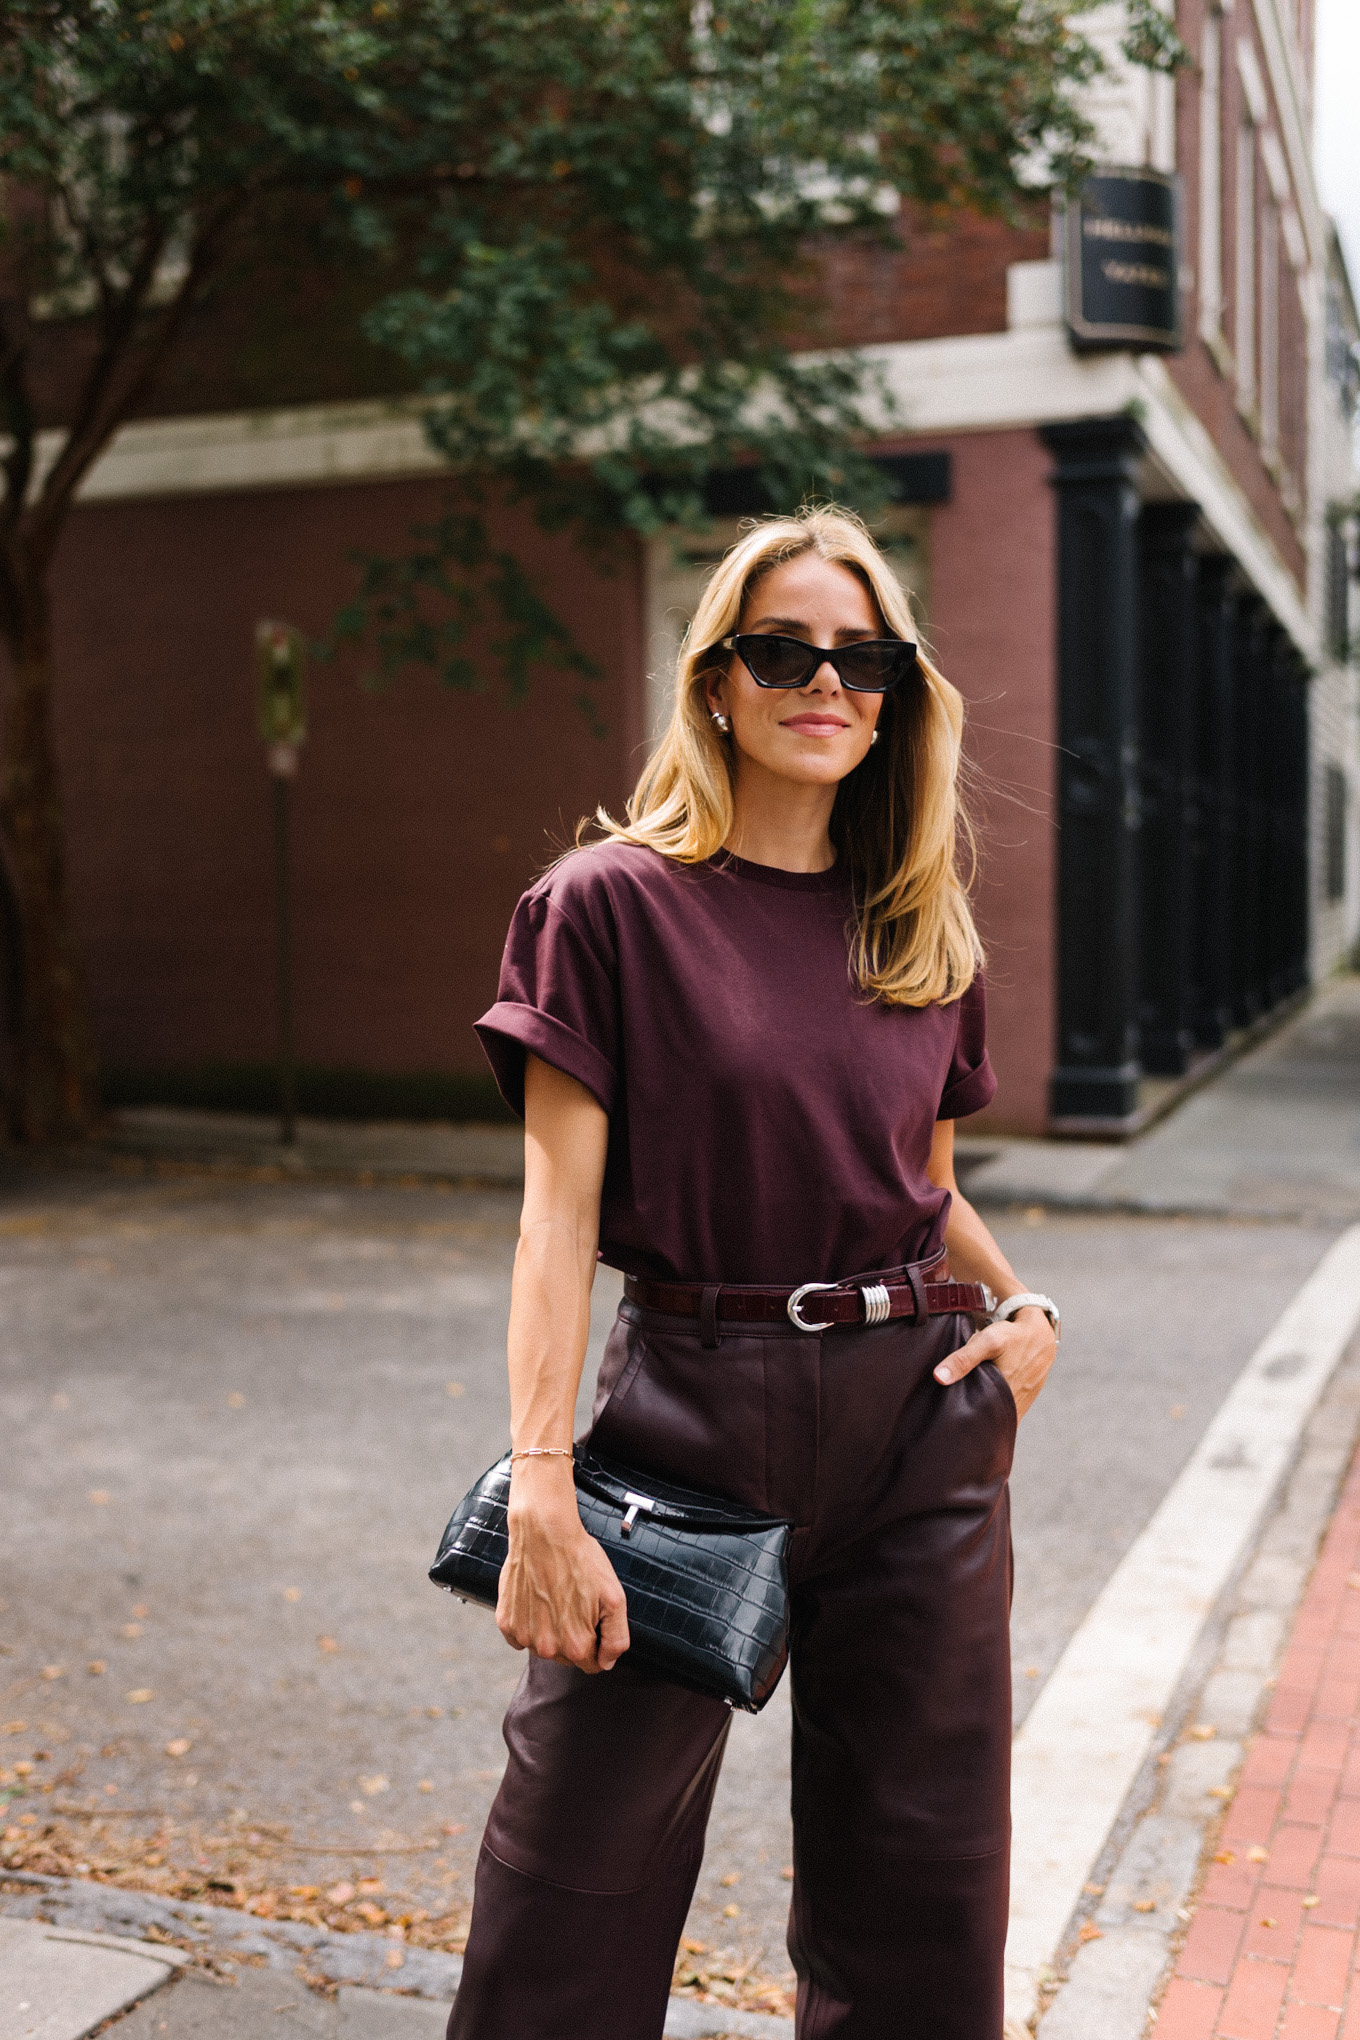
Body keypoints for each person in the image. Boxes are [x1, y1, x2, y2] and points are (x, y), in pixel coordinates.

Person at [450, 506, 1060, 2040]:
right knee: (570, 1882)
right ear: (716, 679)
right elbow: (553, 1223)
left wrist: (1026, 1304)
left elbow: (917, 1177)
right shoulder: (606, 907)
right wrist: (538, 1487)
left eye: (862, 660)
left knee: (922, 1885)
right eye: (782, 650)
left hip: (919, 1416)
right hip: (691, 1420)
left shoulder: (922, 922)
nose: (826, 683)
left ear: (898, 694)